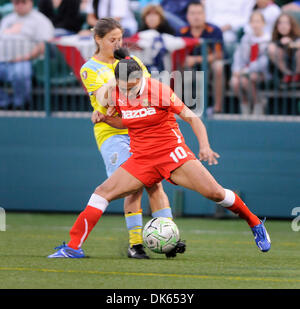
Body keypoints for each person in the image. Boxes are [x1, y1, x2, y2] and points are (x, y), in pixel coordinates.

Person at [48, 46, 271, 258]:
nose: (131, 89)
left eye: (135, 85)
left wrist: (204, 146)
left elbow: (192, 118)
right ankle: (73, 247)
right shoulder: (115, 93)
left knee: (215, 193)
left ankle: (255, 223)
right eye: (126, 86)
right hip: (142, 159)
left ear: (141, 78)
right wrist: (105, 117)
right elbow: (125, 123)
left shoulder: (158, 90)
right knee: (101, 193)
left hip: (172, 155)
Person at [64, 17, 185, 259]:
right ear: (98, 39)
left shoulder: (133, 61)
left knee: (154, 183)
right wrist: (118, 77)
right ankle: (135, 244)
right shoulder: (90, 68)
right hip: (112, 133)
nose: (118, 44)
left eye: (120, 39)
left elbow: (146, 91)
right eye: (112, 40)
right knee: (134, 185)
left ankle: (169, 238)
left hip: (139, 130)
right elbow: (104, 99)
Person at [0, 0, 54, 109]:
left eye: (23, 1)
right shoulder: (7, 19)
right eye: (16, 1)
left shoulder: (40, 19)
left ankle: (20, 105)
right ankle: (4, 103)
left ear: (30, 2)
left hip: (26, 61)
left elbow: (43, 46)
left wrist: (23, 58)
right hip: (3, 62)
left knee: (20, 73)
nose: (20, 4)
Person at [176, 1, 224, 115]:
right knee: (176, 68)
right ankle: (177, 107)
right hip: (188, 68)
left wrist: (196, 59)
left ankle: (218, 108)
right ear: (187, 16)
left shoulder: (214, 31)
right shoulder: (181, 32)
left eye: (199, 13)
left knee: (219, 67)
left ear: (205, 15)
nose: (196, 17)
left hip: (209, 67)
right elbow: (177, 55)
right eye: (192, 13)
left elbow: (219, 54)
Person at [230, 11, 271, 115]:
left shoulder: (268, 39)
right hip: (244, 71)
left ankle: (258, 104)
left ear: (264, 23)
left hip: (262, 72)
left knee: (245, 80)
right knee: (234, 82)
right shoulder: (246, 38)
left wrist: (246, 71)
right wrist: (236, 70)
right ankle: (245, 104)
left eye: (258, 21)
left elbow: (264, 62)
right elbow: (238, 56)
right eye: (253, 21)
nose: (255, 24)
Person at [268, 13, 300, 85]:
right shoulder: (274, 40)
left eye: (286, 23)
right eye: (280, 23)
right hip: (280, 73)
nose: (283, 26)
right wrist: (280, 43)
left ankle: (297, 75)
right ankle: (288, 74)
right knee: (272, 48)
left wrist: (292, 44)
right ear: (277, 26)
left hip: (296, 68)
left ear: (291, 25)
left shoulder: (297, 37)